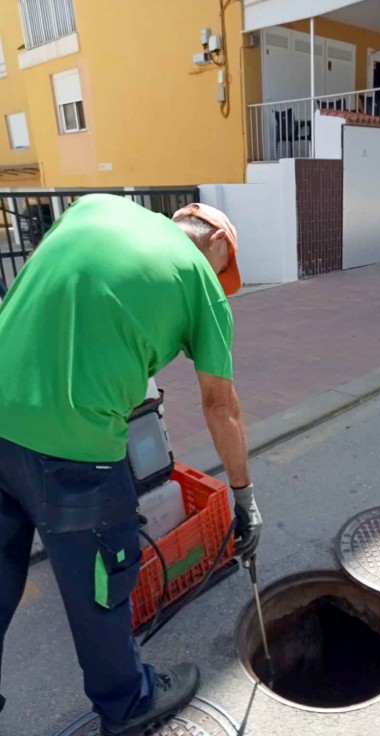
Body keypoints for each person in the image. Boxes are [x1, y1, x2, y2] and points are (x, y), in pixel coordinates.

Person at [0, 195, 262, 736]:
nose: (219, 277)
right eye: (223, 267)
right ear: (215, 242)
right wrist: (243, 496)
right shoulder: (200, 280)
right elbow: (221, 406)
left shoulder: (93, 208)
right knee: (100, 583)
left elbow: (72, 302)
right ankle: (128, 703)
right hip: (74, 453)